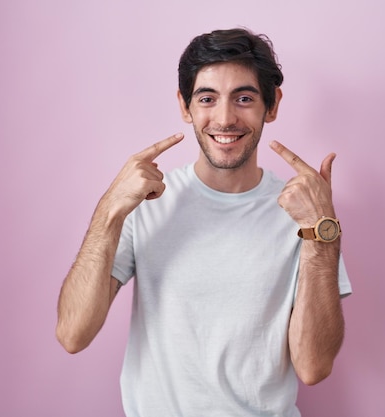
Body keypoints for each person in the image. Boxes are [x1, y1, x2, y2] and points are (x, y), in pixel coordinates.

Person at [56, 27, 352, 417]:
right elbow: (73, 334)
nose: (225, 118)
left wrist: (321, 236)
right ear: (185, 106)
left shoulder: (305, 215)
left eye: (244, 98)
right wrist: (111, 208)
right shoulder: (145, 203)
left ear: (272, 104)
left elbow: (313, 367)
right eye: (207, 98)